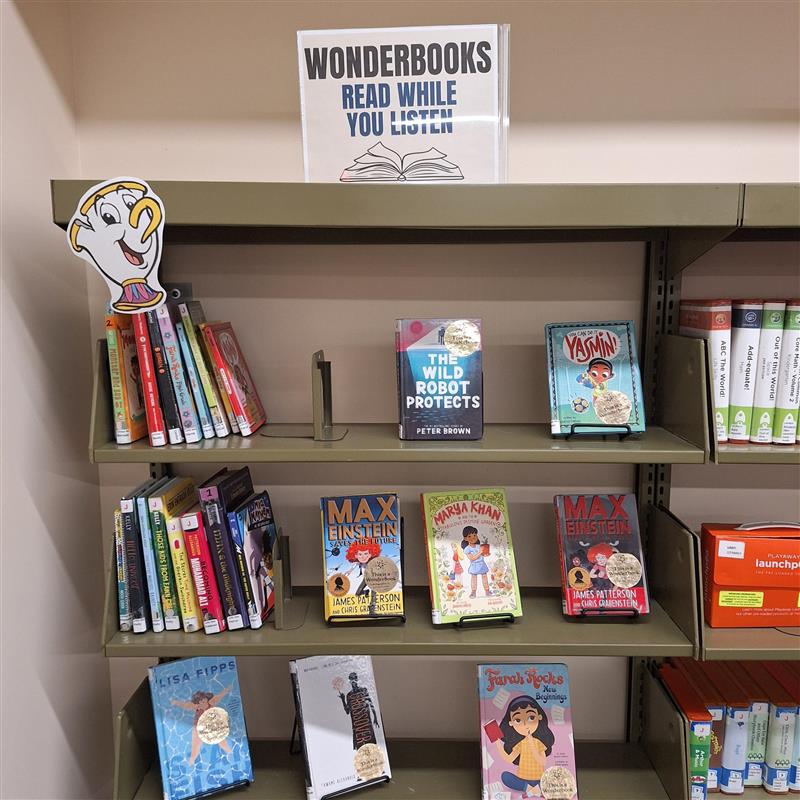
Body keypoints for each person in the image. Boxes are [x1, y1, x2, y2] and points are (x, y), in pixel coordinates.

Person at [494, 695, 555, 798]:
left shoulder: (538, 743)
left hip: (539, 779)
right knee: (505, 777)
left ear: (539, 718)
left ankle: (534, 790)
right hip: (522, 780)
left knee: (555, 778)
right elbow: (509, 759)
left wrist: (532, 744)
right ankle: (532, 789)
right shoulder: (521, 743)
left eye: (531, 718)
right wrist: (497, 742)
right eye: (518, 720)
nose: (525, 724)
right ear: (511, 723)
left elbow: (543, 761)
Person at [171, 684, 233, 765]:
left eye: (203, 699)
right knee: (195, 745)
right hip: (198, 727)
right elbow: (185, 705)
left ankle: (229, 752)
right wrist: (175, 702)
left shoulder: (212, 702)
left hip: (212, 725)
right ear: (197, 703)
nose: (202, 701)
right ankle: (192, 760)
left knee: (221, 741)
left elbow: (220, 695)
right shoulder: (196, 707)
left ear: (206, 699)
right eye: (199, 701)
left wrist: (228, 689)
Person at [336, 672, 380, 750]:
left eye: (354, 679)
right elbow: (347, 711)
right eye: (351, 679)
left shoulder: (364, 690)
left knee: (371, 746)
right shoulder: (349, 695)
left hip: (366, 724)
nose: (353, 681)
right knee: (360, 750)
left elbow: (371, 704)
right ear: (349, 681)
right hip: (357, 727)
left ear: (357, 679)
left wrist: (375, 718)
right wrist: (343, 700)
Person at [461, 526, 491, 599]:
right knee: (474, 578)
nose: (473, 537)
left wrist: (486, 554)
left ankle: (487, 591)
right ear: (465, 538)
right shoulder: (467, 549)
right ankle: (473, 592)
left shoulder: (479, 546)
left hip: (482, 564)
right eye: (469, 536)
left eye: (474, 535)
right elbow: (472, 558)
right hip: (474, 565)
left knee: (484, 577)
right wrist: (480, 552)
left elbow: (483, 554)